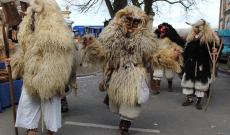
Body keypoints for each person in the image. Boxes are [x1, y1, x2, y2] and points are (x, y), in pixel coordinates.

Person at [80, 6, 182, 135]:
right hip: (118, 72)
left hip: (135, 74)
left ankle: (125, 125)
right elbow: (102, 53)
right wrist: (92, 46)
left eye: (136, 21)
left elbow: (155, 55)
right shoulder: (112, 37)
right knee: (117, 102)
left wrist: (172, 55)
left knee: (131, 101)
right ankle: (123, 119)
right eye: (129, 20)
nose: (132, 24)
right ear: (122, 20)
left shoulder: (147, 40)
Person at [9, 0, 76, 134]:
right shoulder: (28, 34)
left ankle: (50, 131)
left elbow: (65, 59)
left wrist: (59, 80)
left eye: (35, 15)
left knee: (51, 110)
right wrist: (14, 62)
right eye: (32, 16)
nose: (33, 19)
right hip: (31, 77)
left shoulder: (57, 35)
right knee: (28, 105)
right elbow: (24, 52)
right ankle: (31, 130)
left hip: (50, 78)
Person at [181, 19, 219, 110]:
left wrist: (216, 51)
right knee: (188, 83)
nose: (196, 28)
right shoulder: (191, 38)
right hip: (190, 63)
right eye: (196, 27)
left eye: (198, 27)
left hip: (202, 64)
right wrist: (183, 58)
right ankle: (189, 99)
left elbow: (215, 49)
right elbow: (186, 52)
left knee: (200, 84)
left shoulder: (209, 39)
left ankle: (198, 101)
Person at [151, 23, 185, 94]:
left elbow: (175, 46)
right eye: (161, 31)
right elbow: (152, 47)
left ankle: (170, 85)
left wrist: (176, 51)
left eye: (163, 31)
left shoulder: (169, 39)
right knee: (157, 73)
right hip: (158, 57)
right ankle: (157, 88)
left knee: (169, 73)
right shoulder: (155, 39)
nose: (162, 32)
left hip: (168, 57)